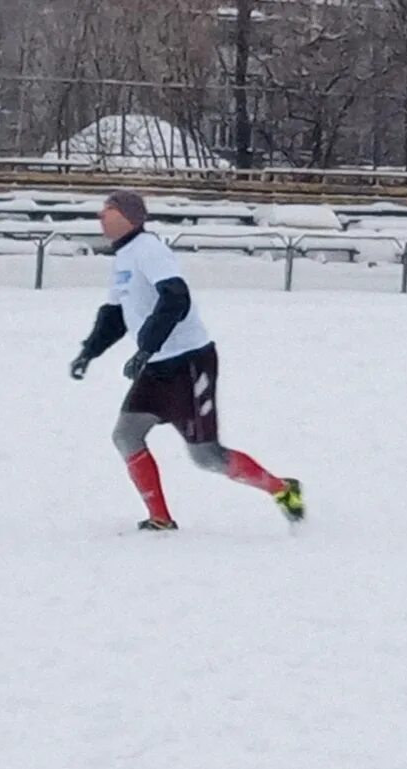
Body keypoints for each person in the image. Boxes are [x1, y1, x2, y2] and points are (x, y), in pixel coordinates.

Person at [70, 190, 304, 531]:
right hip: (156, 365)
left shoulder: (149, 250)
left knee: (206, 456)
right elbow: (115, 316)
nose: (101, 216)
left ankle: (283, 490)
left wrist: (146, 347)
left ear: (129, 217)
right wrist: (89, 352)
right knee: (126, 435)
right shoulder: (122, 257)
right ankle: (160, 518)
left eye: (108, 209)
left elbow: (175, 299)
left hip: (189, 363)